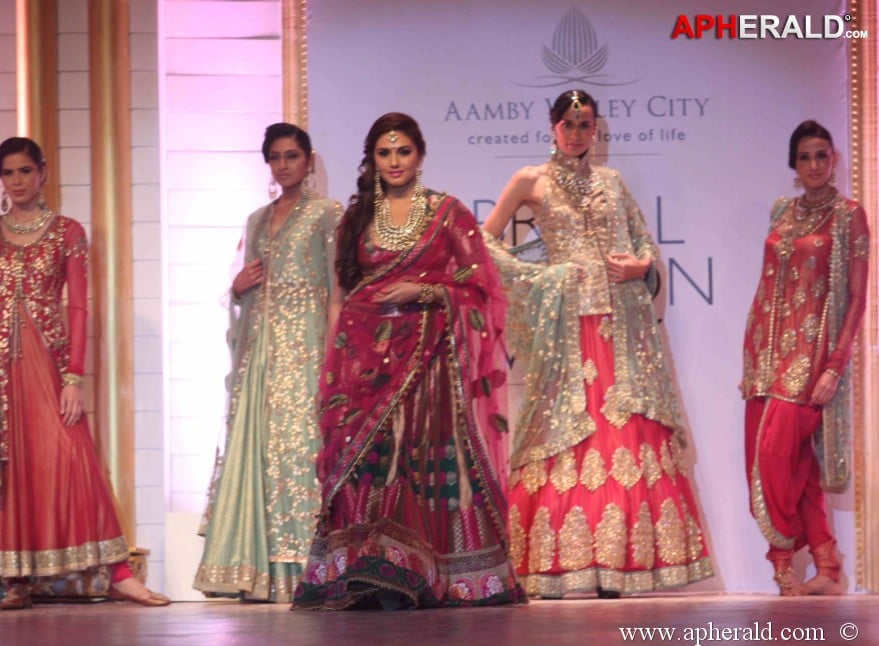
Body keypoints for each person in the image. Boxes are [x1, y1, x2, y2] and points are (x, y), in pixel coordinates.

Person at [481, 90, 713, 598]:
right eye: (568, 123)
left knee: (626, 434)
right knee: (566, 433)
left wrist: (640, 266)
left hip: (621, 329)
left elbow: (646, 246)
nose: (577, 133)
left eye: (585, 125)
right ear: (552, 127)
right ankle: (556, 565)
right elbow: (484, 242)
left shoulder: (612, 182)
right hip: (568, 325)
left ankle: (618, 567)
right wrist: (541, 279)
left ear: (596, 130)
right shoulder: (530, 180)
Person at [292, 112, 524, 610]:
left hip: (427, 364)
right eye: (384, 152)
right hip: (363, 361)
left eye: (403, 152)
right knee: (366, 463)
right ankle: (365, 572)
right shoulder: (356, 219)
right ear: (372, 159)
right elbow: (340, 296)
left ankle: (424, 572)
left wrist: (428, 289)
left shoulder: (448, 213)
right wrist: (330, 365)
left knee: (418, 464)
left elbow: (481, 285)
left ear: (419, 155)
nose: (394, 162)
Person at [0, 137, 169, 609]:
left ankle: (120, 574)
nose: (17, 182)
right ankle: (15, 580)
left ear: (42, 173)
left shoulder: (67, 233)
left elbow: (77, 308)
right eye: (8, 174)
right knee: (8, 468)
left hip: (48, 363)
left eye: (24, 171)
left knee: (72, 459)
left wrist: (74, 377)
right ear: (0, 179)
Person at [193, 123, 343, 602]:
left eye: (292, 156)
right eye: (275, 158)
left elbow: (338, 291)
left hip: (306, 346)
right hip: (260, 351)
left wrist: (333, 351)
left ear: (309, 160)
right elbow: (242, 286)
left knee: (299, 449)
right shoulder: (256, 220)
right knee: (258, 451)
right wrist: (236, 288)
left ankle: (305, 569)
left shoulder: (328, 215)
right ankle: (256, 570)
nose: (283, 166)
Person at [739, 120, 869, 596]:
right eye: (805, 157)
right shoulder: (781, 212)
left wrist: (835, 363)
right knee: (793, 464)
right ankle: (827, 567)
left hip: (809, 357)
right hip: (763, 352)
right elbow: (766, 283)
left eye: (822, 155)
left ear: (834, 159)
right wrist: (752, 348)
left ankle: (781, 566)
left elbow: (856, 297)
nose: (814, 165)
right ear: (793, 165)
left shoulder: (848, 215)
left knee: (772, 458)